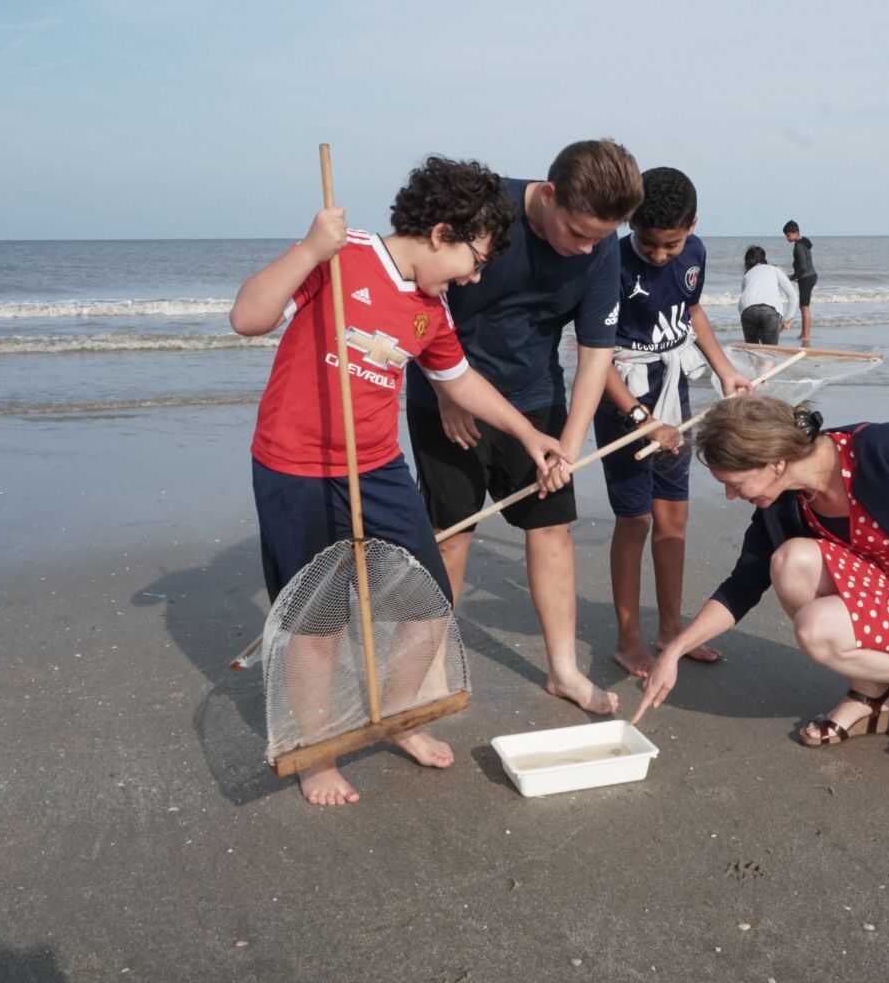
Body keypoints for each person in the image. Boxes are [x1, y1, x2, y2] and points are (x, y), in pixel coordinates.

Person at [231, 156, 569, 806]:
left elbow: (458, 381)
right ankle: (316, 753)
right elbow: (248, 317)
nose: (474, 275)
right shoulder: (341, 255)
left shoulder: (431, 310)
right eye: (475, 259)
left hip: (378, 467)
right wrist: (307, 250)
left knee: (429, 602)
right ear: (442, 232)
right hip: (296, 466)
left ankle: (398, 715)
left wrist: (529, 435)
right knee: (317, 622)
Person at [633, 394, 889, 764]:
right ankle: (870, 696)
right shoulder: (786, 500)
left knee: (816, 627)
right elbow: (743, 584)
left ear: (776, 462)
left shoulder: (887, 448)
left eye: (735, 483)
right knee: (790, 560)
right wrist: (674, 652)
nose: (730, 496)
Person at [405, 139, 643, 716]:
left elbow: (594, 354)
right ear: (550, 195)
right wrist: (445, 388)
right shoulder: (485, 210)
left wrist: (567, 443)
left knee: (552, 527)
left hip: (534, 399)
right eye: (578, 233)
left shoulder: (601, 245)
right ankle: (428, 668)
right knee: (452, 534)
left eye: (599, 238)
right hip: (446, 394)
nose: (586, 248)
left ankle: (563, 670)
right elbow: (419, 295)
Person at [592, 167, 753, 677]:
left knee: (673, 518)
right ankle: (628, 637)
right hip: (623, 393)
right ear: (629, 225)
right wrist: (641, 419)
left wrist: (726, 370)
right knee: (635, 519)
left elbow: (693, 312)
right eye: (648, 242)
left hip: (673, 390)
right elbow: (593, 358)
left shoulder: (696, 253)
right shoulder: (609, 265)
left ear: (692, 226)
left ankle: (669, 630)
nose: (660, 254)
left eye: (671, 244)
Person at [738, 244, 797, 344]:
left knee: (753, 351)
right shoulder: (774, 269)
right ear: (764, 258)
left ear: (747, 261)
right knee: (770, 352)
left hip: (747, 311)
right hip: (770, 311)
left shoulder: (747, 275)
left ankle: (756, 360)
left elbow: (744, 300)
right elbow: (792, 295)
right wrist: (788, 319)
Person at [782, 220, 817, 346]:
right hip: (810, 276)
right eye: (786, 235)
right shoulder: (804, 242)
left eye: (788, 235)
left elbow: (802, 266)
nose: (787, 237)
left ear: (796, 233)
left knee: (804, 307)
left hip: (807, 277)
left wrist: (792, 277)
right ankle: (804, 333)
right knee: (803, 306)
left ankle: (806, 335)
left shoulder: (799, 246)